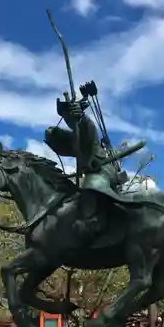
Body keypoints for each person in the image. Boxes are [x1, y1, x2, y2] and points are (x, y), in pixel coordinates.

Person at [44, 99, 124, 235]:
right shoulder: (73, 136)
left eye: (68, 115)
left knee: (90, 188)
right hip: (90, 172)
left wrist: (82, 118)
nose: (67, 119)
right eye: (65, 117)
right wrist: (53, 136)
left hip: (102, 168)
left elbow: (90, 131)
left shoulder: (85, 129)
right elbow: (64, 146)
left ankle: (92, 223)